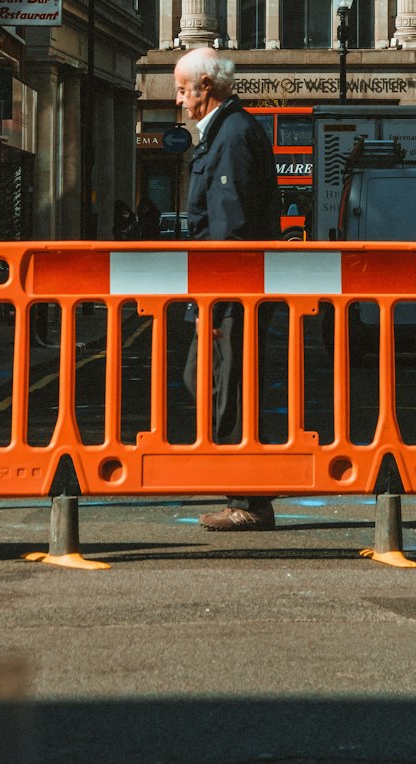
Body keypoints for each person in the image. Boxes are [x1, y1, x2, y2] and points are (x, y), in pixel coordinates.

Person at [173, 45, 281, 531]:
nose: (178, 100)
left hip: (233, 294)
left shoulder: (233, 137)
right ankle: (250, 490)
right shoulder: (224, 134)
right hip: (227, 293)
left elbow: (229, 233)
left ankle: (250, 500)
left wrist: (211, 308)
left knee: (226, 390)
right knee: (210, 384)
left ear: (206, 88)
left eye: (181, 90)